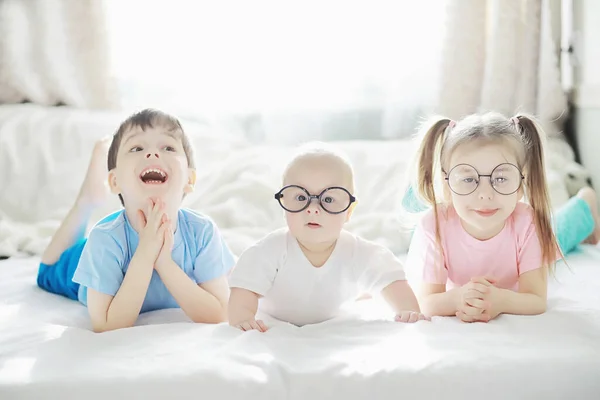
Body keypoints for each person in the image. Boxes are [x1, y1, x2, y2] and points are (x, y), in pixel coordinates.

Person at [37, 109, 234, 332]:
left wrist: (163, 262)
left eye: (168, 147)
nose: (152, 154)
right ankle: (87, 200)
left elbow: (220, 313)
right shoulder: (104, 239)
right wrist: (146, 253)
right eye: (137, 148)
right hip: (86, 261)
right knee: (47, 270)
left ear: (189, 179)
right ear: (115, 181)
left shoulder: (202, 232)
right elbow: (106, 325)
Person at [227, 143, 427, 332]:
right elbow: (244, 288)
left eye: (328, 199)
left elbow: (391, 280)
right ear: (283, 203)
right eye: (300, 198)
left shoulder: (358, 252)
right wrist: (243, 318)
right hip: (274, 319)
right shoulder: (270, 250)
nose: (313, 209)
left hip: (335, 317)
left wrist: (408, 311)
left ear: (349, 211)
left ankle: (363, 293)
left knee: (368, 287)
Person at [405, 112, 572, 323]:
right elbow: (426, 302)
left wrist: (500, 300)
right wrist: (457, 299)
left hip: (536, 225)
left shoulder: (530, 223)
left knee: (568, 230)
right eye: (468, 179)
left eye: (501, 178)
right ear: (447, 187)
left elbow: (537, 300)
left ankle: (586, 201)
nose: (485, 194)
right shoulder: (433, 226)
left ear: (521, 185)